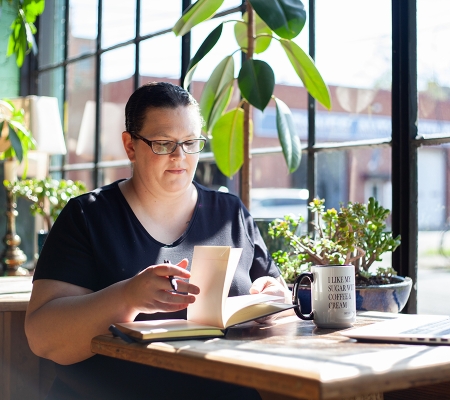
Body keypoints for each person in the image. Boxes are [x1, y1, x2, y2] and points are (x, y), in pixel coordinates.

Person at [25, 82, 291, 399]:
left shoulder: (230, 213)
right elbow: (43, 336)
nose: (180, 156)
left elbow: (278, 297)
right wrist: (127, 297)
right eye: (164, 144)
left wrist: (275, 298)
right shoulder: (88, 216)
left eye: (191, 142)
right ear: (130, 146)